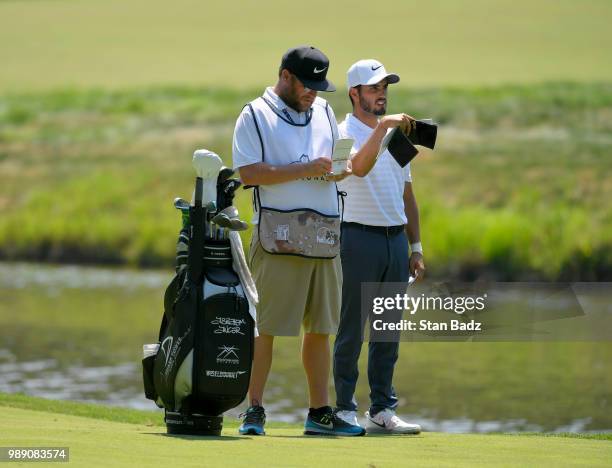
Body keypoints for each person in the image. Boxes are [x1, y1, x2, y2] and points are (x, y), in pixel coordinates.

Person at [232, 45, 363, 436]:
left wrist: (340, 170)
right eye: (307, 84)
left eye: (319, 86)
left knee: (321, 327)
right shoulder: (254, 114)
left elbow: (334, 163)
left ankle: (319, 411)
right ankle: (254, 409)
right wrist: (306, 169)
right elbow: (250, 173)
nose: (313, 93)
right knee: (265, 326)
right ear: (286, 76)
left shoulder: (322, 110)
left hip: (324, 232)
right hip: (277, 234)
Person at [333, 59, 426, 434]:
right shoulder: (341, 132)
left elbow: (407, 193)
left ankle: (382, 409)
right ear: (354, 93)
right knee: (350, 330)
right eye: (373, 88)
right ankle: (342, 408)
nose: (382, 94)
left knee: (388, 332)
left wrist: (415, 246)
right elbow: (357, 166)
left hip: (393, 243)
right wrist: (384, 128)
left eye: (385, 87)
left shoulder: (397, 138)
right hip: (356, 238)